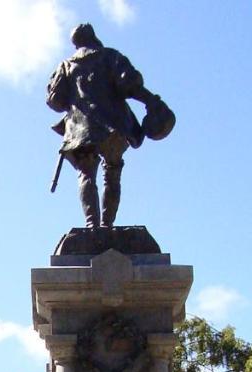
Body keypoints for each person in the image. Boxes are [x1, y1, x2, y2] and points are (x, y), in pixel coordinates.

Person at [46, 23, 169, 228]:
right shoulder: (110, 56)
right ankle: (107, 226)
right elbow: (130, 84)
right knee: (112, 171)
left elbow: (54, 100)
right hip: (113, 127)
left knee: (86, 174)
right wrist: (150, 100)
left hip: (80, 130)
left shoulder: (66, 66)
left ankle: (92, 225)